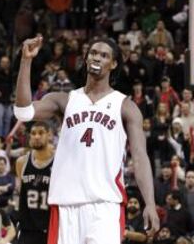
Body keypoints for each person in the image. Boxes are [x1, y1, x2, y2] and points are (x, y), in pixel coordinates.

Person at [14, 36, 159, 244]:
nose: (97, 58)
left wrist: (150, 203)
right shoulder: (65, 99)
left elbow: (139, 157)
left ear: (114, 63)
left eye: (104, 55)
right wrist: (26, 61)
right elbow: (23, 112)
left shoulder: (125, 106)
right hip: (65, 204)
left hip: (105, 204)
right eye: (93, 53)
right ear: (85, 57)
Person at [16, 121, 54, 244]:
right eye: (33, 133)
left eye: (41, 133)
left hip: (49, 228)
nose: (36, 136)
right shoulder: (21, 162)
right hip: (27, 229)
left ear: (49, 135)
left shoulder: (59, 163)